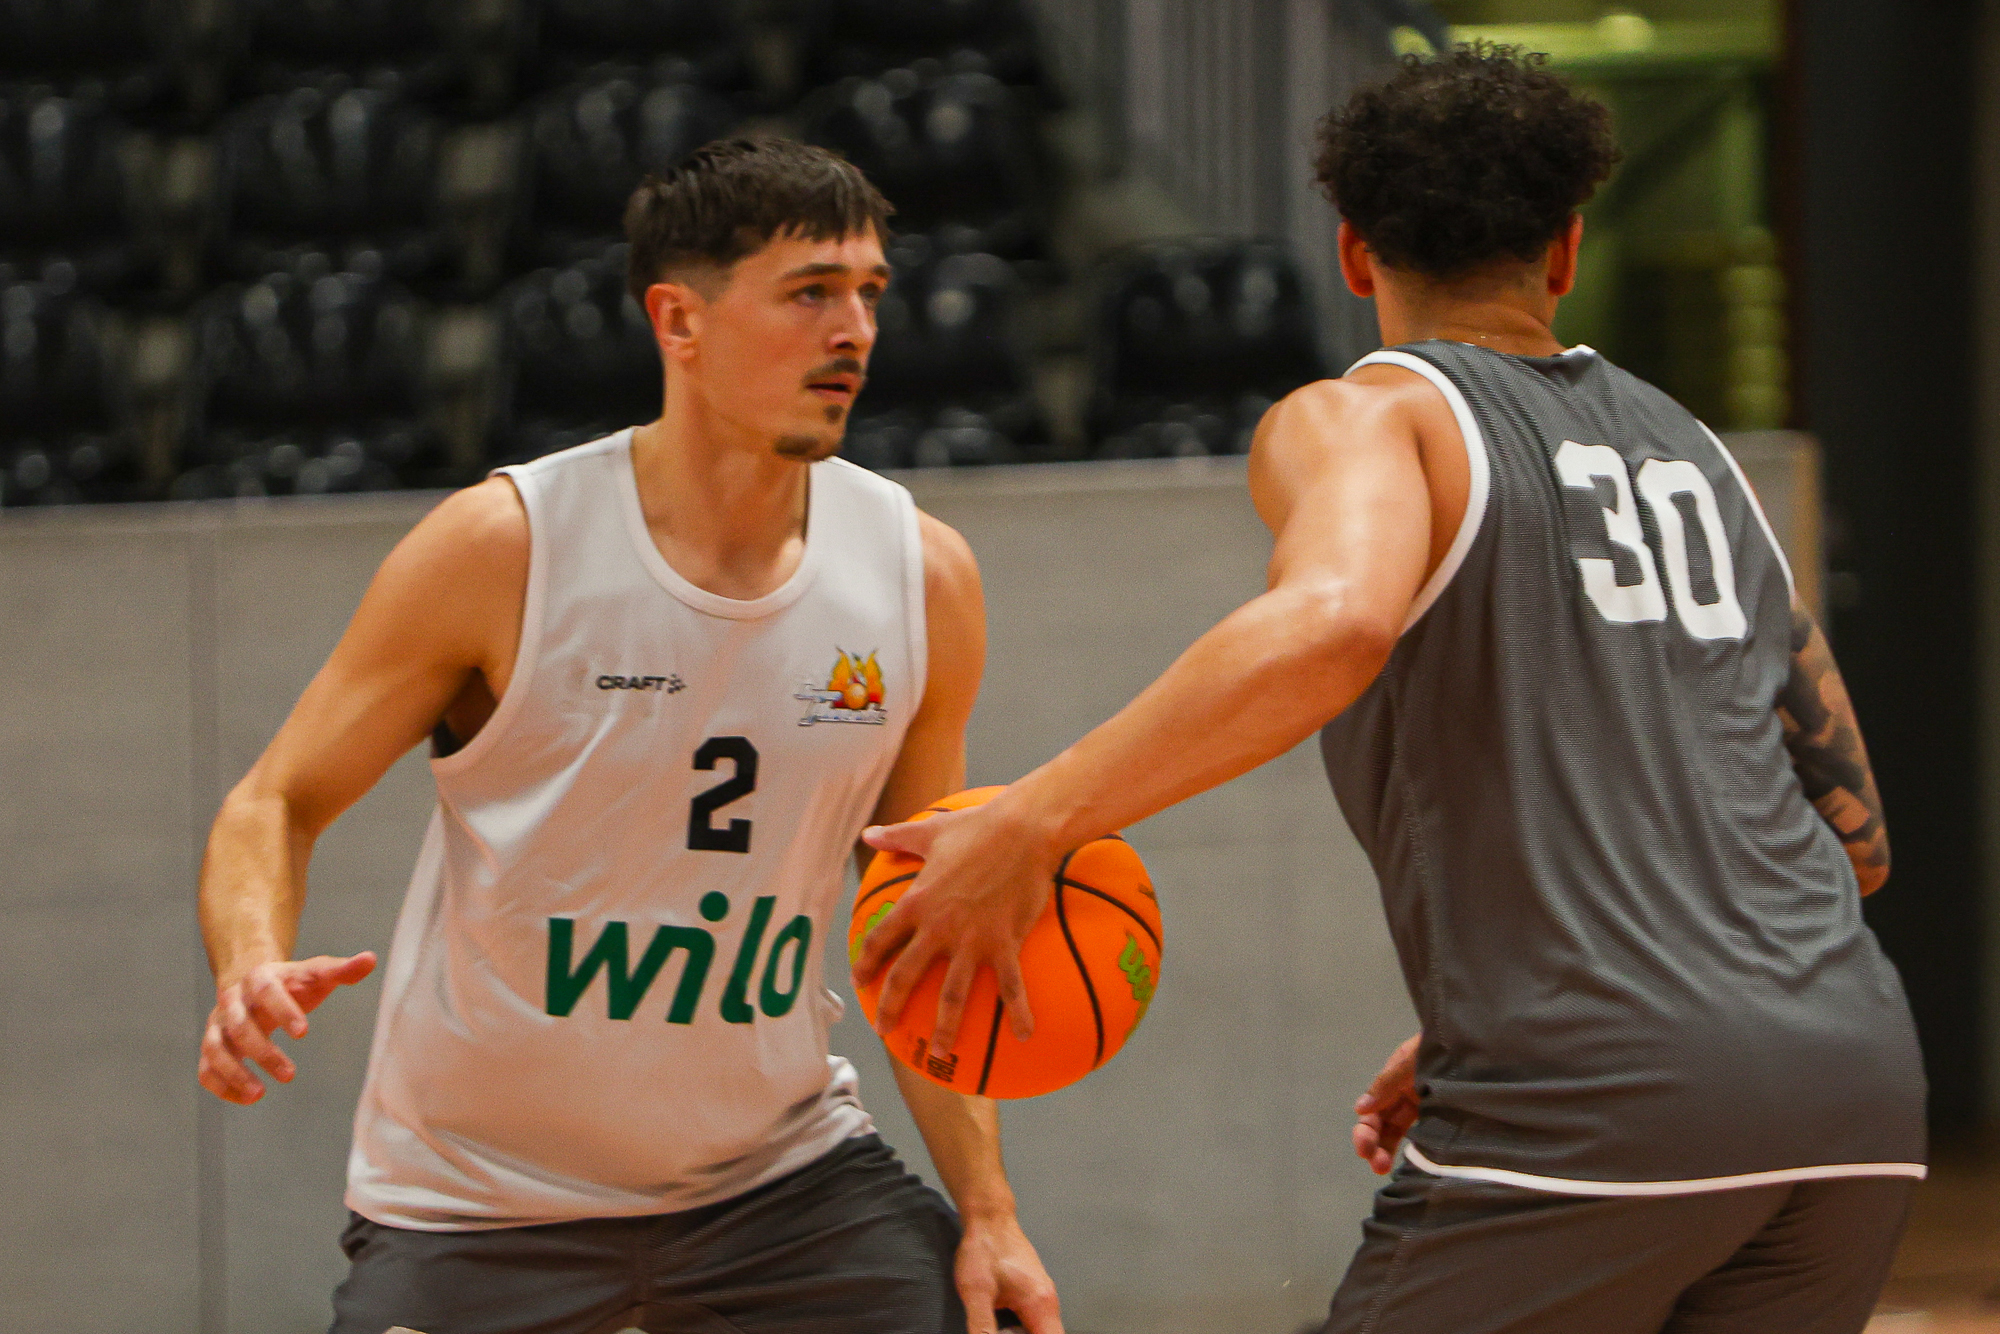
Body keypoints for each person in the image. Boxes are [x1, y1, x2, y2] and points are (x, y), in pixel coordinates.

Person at [854, 46, 1924, 1334]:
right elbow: (1849, 825)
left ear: (1353, 253)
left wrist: (1034, 817)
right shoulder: (1693, 451)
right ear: (1567, 249)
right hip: (1852, 1093)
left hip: (1597, 1090)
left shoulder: (1367, 415)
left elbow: (1332, 621)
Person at [195, 135, 1061, 1334]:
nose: (853, 329)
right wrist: (248, 960)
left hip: (781, 1186)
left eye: (869, 291)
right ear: (678, 320)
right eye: (811, 291)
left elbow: (913, 925)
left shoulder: (922, 576)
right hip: (482, 1207)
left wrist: (992, 1208)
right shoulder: (504, 547)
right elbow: (272, 801)